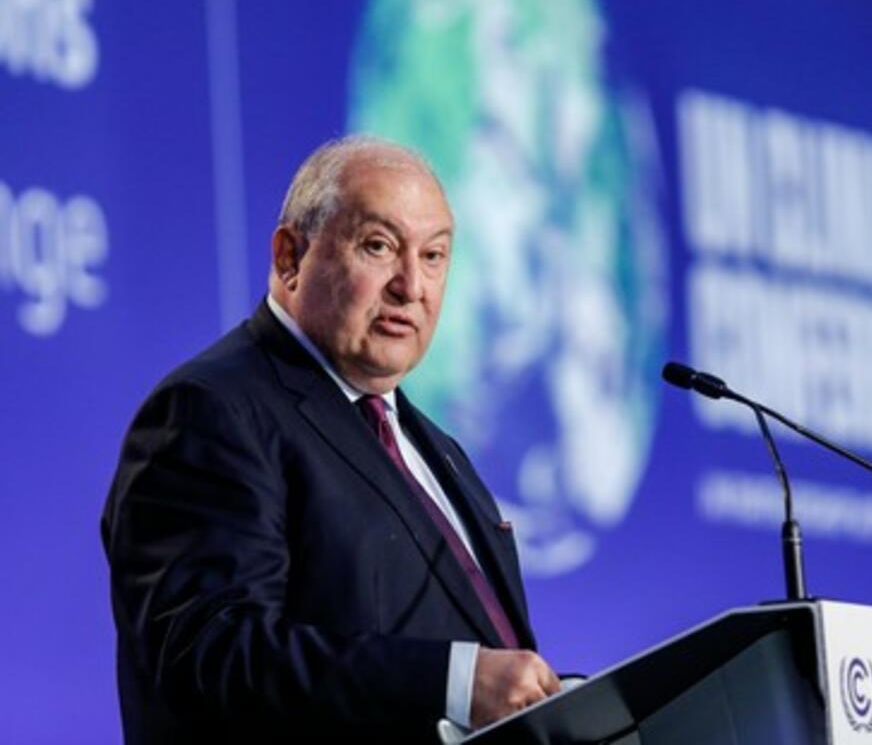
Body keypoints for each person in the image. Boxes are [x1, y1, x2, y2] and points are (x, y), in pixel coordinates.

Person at [101, 135, 560, 744]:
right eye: (379, 246)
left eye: (433, 256)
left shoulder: (441, 452)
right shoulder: (210, 411)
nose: (411, 286)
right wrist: (451, 683)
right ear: (290, 257)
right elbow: (213, 656)